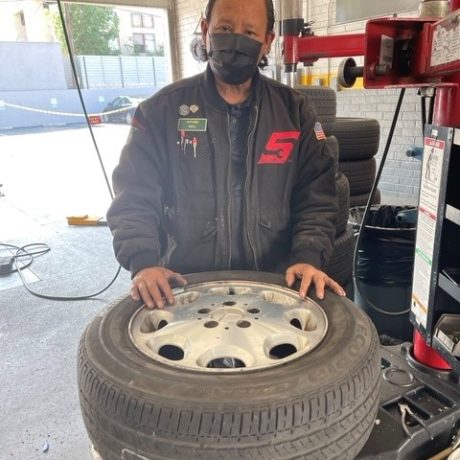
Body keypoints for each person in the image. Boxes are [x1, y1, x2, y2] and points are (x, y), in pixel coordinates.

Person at [107, 0, 345, 309]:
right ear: (206, 31)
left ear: (267, 42)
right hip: (185, 289)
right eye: (225, 28)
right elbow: (134, 195)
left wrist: (309, 256)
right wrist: (143, 262)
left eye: (249, 32)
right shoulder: (160, 113)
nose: (235, 40)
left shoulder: (294, 112)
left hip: (275, 288)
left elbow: (317, 196)